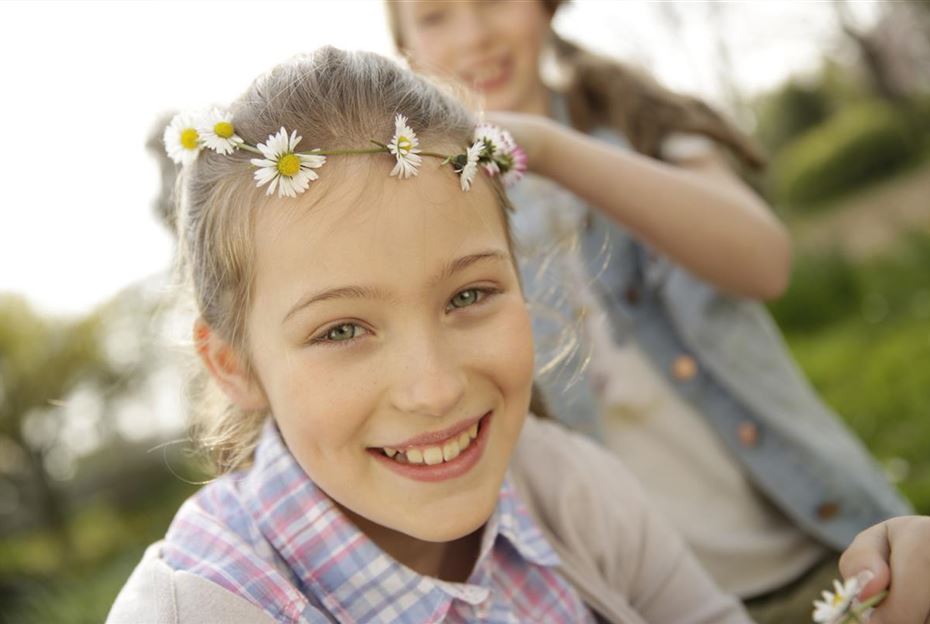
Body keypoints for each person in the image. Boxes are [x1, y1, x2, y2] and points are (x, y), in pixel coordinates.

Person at [107, 47, 751, 623]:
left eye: (468, 295)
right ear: (232, 365)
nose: (436, 389)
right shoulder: (197, 611)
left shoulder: (564, 484)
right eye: (341, 330)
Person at [385, 1, 920, 620]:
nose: (473, 35)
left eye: (495, 1)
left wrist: (547, 148)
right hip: (646, 599)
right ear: (406, 48)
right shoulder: (430, 210)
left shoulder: (638, 125)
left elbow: (764, 263)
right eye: (435, 16)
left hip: (830, 547)